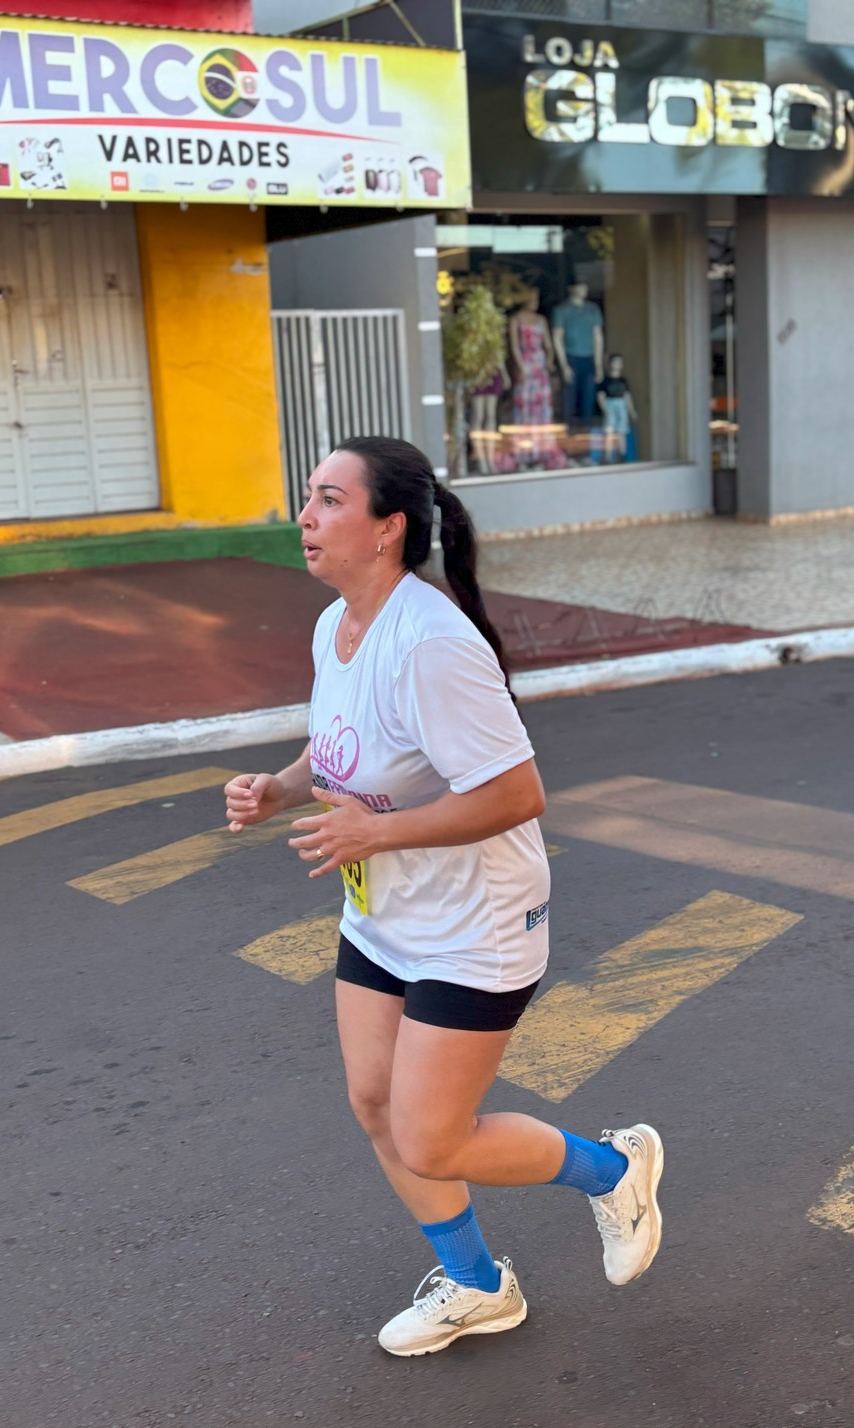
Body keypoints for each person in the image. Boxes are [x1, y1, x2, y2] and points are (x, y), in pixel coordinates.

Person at [223, 437, 664, 1358]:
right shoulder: (336, 625)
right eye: (307, 496)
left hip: (479, 925)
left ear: (387, 529)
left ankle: (615, 1170)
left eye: (329, 500)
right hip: (386, 913)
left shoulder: (430, 643)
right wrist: (281, 788)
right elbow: (340, 747)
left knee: (432, 1139)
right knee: (375, 1106)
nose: (304, 515)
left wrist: (374, 831)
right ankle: (476, 1286)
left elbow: (517, 795)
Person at [509, 288, 556, 464]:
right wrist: (521, 367)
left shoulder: (541, 320)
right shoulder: (516, 319)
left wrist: (550, 361)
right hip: (526, 363)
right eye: (533, 298)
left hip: (539, 364)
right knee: (525, 406)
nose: (536, 301)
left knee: (541, 406)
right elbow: (514, 346)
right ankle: (525, 452)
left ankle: (541, 450)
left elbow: (548, 345)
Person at [551, 281, 604, 424]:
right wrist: (563, 365)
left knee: (588, 397)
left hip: (589, 357)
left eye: (585, 286)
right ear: (572, 288)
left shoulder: (592, 309)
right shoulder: (562, 310)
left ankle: (586, 432)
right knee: (569, 398)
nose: (584, 289)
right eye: (580, 286)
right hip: (571, 357)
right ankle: (568, 432)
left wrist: (598, 364)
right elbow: (557, 338)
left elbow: (597, 337)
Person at [596, 353, 639, 464]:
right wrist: (605, 410)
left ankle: (622, 455)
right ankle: (607, 456)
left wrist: (632, 411)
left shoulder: (623, 381)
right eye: (615, 362)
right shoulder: (605, 381)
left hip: (621, 406)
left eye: (619, 362)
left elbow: (627, 396)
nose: (617, 365)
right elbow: (600, 396)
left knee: (621, 432)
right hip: (610, 404)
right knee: (609, 432)